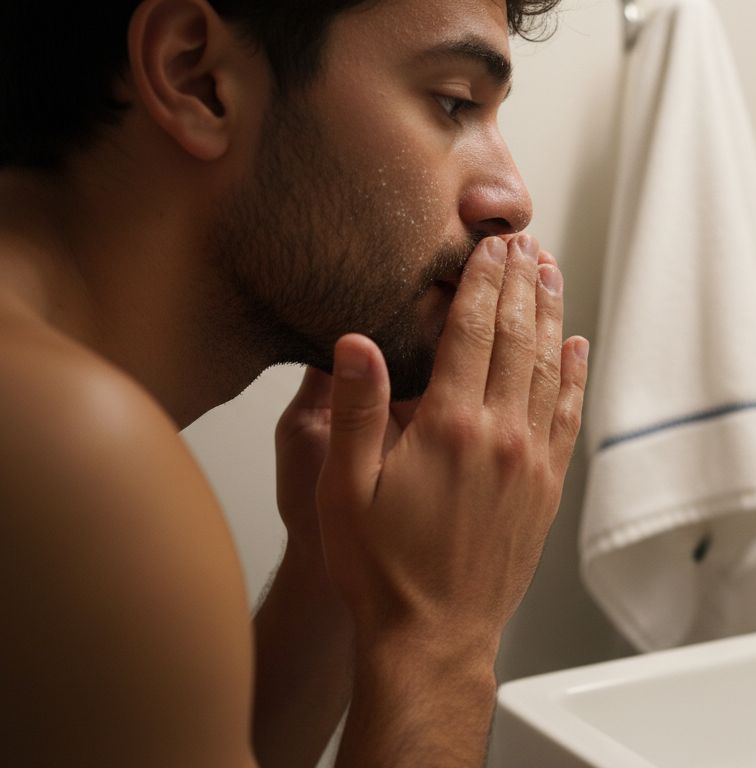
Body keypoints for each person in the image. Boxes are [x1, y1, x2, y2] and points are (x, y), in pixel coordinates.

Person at [0, 0, 587, 764]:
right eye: (453, 102)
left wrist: (334, 568)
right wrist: (440, 634)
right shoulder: (75, 456)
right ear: (197, 77)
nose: (511, 197)